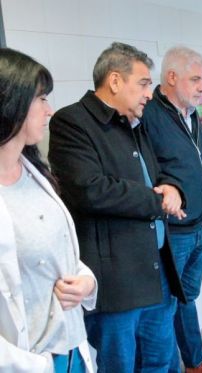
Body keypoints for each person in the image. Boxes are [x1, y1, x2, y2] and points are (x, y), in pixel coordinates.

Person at [48, 42, 187, 372]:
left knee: (159, 361)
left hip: (157, 273)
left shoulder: (134, 124)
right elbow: (91, 190)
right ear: (114, 81)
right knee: (120, 365)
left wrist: (173, 188)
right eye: (142, 83)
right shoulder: (72, 123)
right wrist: (158, 200)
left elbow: (159, 170)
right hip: (117, 283)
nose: (149, 94)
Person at [0, 48, 97, 372]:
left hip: (71, 347)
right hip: (30, 362)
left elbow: (58, 251)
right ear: (10, 102)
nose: (50, 110)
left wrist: (86, 281)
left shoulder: (34, 173)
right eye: (41, 99)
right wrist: (33, 366)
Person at [142, 46, 202, 373]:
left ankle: (196, 363)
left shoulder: (192, 115)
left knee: (185, 299)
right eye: (195, 79)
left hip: (198, 226)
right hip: (172, 231)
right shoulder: (150, 117)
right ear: (171, 77)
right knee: (165, 308)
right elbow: (147, 173)